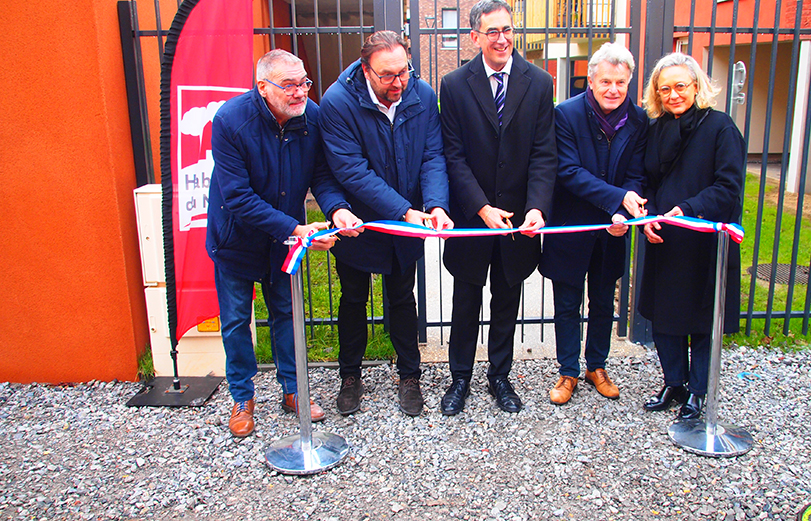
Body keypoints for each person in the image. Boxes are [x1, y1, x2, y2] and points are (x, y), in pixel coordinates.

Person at [206, 49, 346, 438]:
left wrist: (336, 211)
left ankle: (293, 390)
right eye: (289, 85)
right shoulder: (230, 120)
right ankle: (242, 397)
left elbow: (322, 176)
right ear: (263, 87)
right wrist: (296, 228)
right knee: (236, 321)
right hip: (236, 239)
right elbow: (237, 197)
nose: (300, 92)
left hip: (283, 241)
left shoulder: (311, 117)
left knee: (286, 314)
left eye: (304, 82)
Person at [319, 31, 452, 417]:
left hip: (406, 222)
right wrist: (404, 210)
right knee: (353, 299)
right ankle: (350, 375)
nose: (398, 83)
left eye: (403, 71)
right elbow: (351, 170)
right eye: (387, 75)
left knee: (402, 297)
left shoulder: (421, 94)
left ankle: (409, 375)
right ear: (365, 70)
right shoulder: (338, 102)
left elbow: (432, 155)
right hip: (357, 220)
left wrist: (436, 204)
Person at [439, 0, 557, 415]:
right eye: (492, 32)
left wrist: (537, 207)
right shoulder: (454, 85)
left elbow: (544, 154)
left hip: (518, 221)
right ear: (475, 37)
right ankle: (459, 378)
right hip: (473, 219)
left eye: (507, 30)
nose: (502, 38)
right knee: (465, 302)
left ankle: (500, 376)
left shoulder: (539, 82)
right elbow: (453, 157)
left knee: (507, 301)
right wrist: (481, 208)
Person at [538, 43, 648, 405]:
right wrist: (617, 199)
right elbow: (569, 171)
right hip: (572, 225)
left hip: (613, 229)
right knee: (567, 303)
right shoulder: (566, 114)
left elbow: (638, 174)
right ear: (591, 80)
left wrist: (624, 211)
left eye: (620, 82)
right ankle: (568, 370)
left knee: (603, 302)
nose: (613, 89)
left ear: (629, 82)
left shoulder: (639, 120)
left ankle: (596, 366)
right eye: (606, 82)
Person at [638, 52, 745, 421]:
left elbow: (728, 187)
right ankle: (674, 382)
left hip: (704, 241)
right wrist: (649, 217)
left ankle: (698, 391)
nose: (673, 95)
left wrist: (686, 209)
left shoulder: (721, 128)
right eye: (664, 89)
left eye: (680, 86)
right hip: (665, 239)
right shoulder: (655, 129)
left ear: (696, 86)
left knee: (702, 320)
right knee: (665, 317)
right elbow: (648, 181)